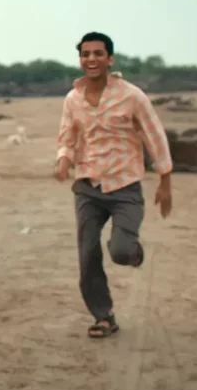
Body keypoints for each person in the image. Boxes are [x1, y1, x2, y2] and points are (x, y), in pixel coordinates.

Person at [54, 31, 174, 339]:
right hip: (88, 186)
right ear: (80, 60)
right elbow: (67, 135)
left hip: (125, 187)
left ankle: (132, 253)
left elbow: (154, 135)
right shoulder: (72, 99)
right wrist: (64, 159)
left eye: (98, 53)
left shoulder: (131, 96)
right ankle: (103, 316)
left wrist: (165, 180)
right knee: (87, 254)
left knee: (120, 251)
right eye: (86, 54)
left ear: (110, 59)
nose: (91, 59)